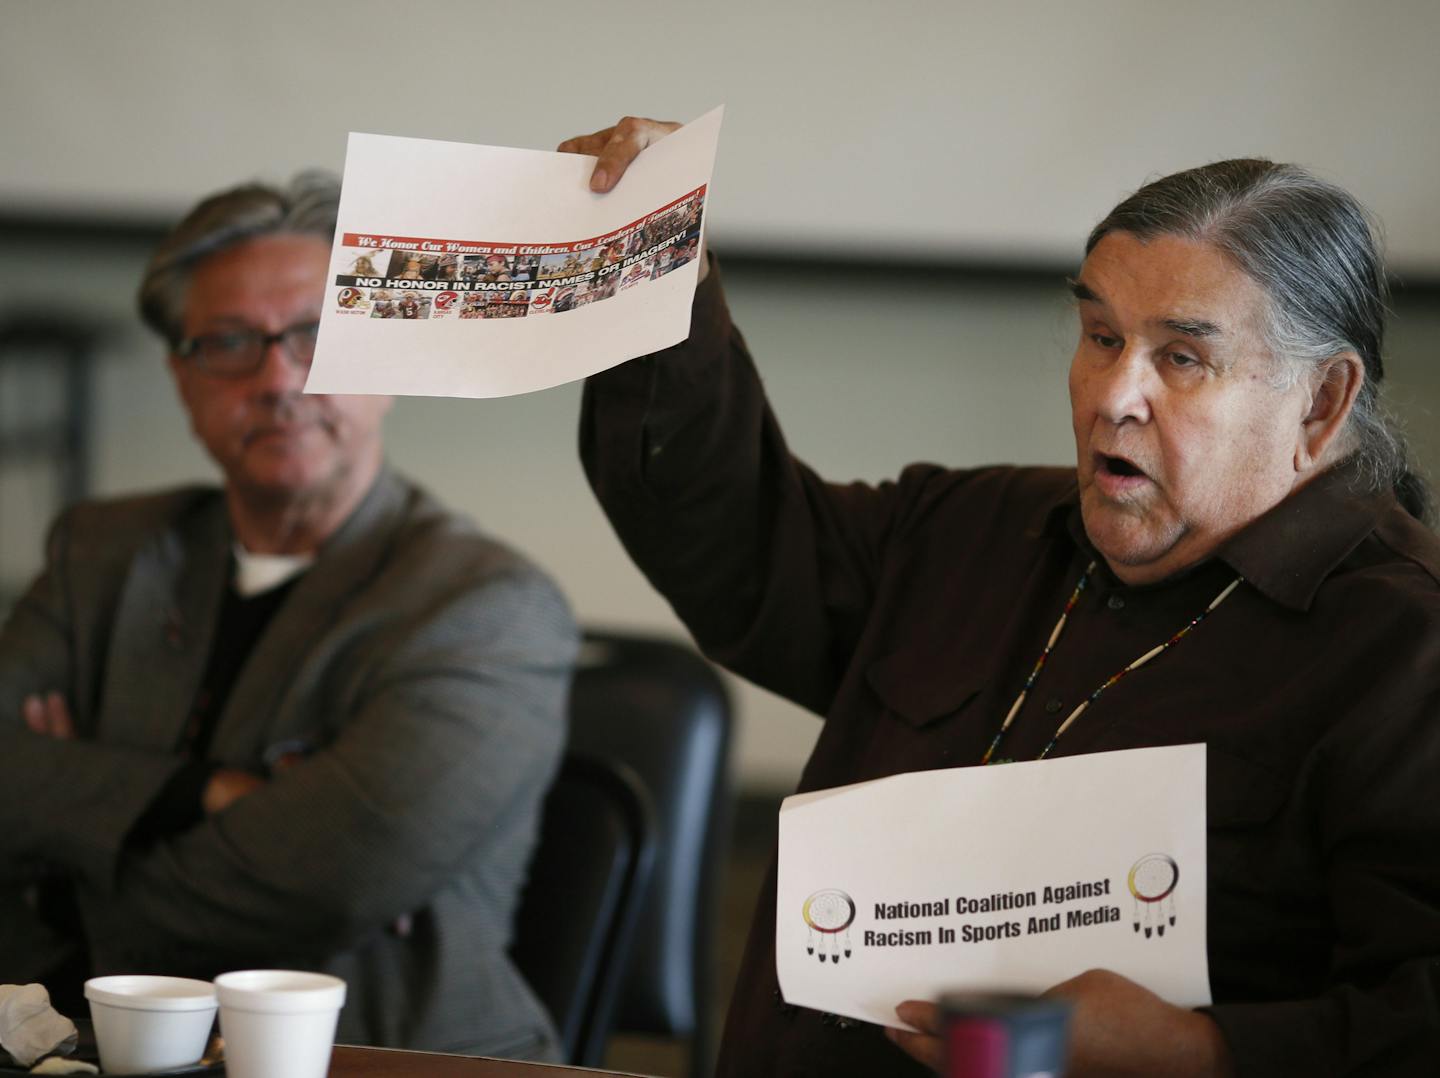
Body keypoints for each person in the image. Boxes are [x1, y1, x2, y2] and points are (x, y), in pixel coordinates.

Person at [563, 118, 1440, 1076]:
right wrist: (658, 271)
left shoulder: (1406, 646)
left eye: (1182, 359)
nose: (1114, 394)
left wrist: (1198, 1052)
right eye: (1100, 336)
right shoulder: (974, 527)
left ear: (1322, 401)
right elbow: (733, 537)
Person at [0, 173, 575, 1061]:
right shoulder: (102, 551)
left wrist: (59, 869)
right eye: (230, 342)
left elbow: (324, 881)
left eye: (318, 336)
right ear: (182, 378)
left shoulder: (486, 607)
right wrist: (198, 793)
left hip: (386, 1060)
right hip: (88, 1049)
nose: (278, 378)